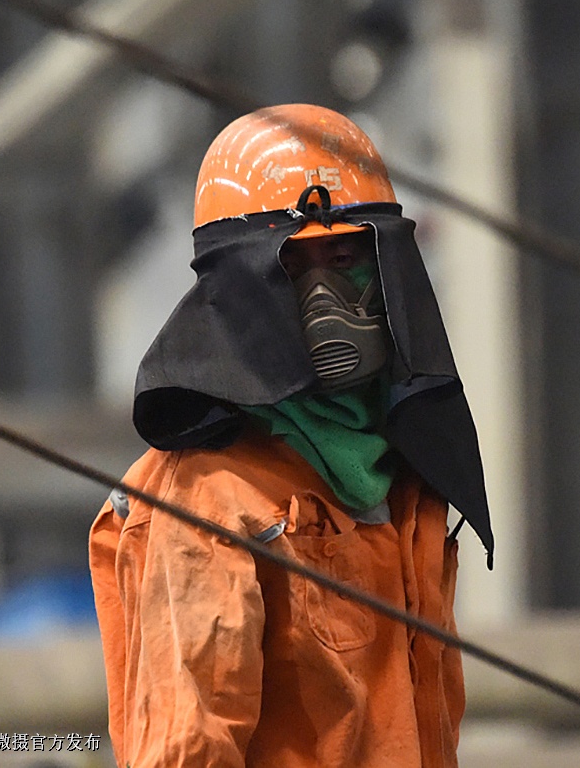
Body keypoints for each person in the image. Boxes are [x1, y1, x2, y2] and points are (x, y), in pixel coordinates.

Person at [89, 104, 494, 768]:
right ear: (245, 286)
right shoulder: (209, 500)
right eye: (297, 266)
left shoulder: (400, 477)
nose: (328, 295)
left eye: (347, 256)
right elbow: (188, 753)